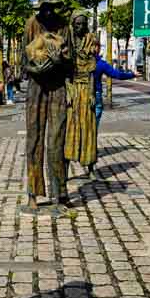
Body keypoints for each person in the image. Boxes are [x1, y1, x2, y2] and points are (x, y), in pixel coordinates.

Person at [24, 0, 71, 212]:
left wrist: (58, 61)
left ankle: (60, 193)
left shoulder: (64, 26)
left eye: (52, 7)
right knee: (34, 140)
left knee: (56, 142)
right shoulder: (31, 24)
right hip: (36, 88)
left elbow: (71, 64)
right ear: (40, 9)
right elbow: (24, 62)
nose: (49, 12)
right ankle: (33, 194)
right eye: (45, 8)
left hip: (58, 88)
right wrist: (37, 68)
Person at [64, 9, 98, 175]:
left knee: (88, 127)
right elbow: (64, 71)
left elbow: (92, 71)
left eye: (83, 24)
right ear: (73, 24)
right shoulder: (68, 41)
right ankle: (65, 167)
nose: (80, 27)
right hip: (72, 88)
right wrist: (68, 92)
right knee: (70, 127)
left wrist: (92, 93)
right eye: (77, 24)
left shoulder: (90, 40)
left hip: (86, 88)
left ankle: (90, 165)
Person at [92, 40, 135, 135]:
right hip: (96, 94)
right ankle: (92, 142)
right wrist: (132, 75)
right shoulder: (101, 64)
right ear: (98, 48)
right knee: (95, 121)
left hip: (82, 94)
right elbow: (117, 75)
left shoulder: (80, 62)